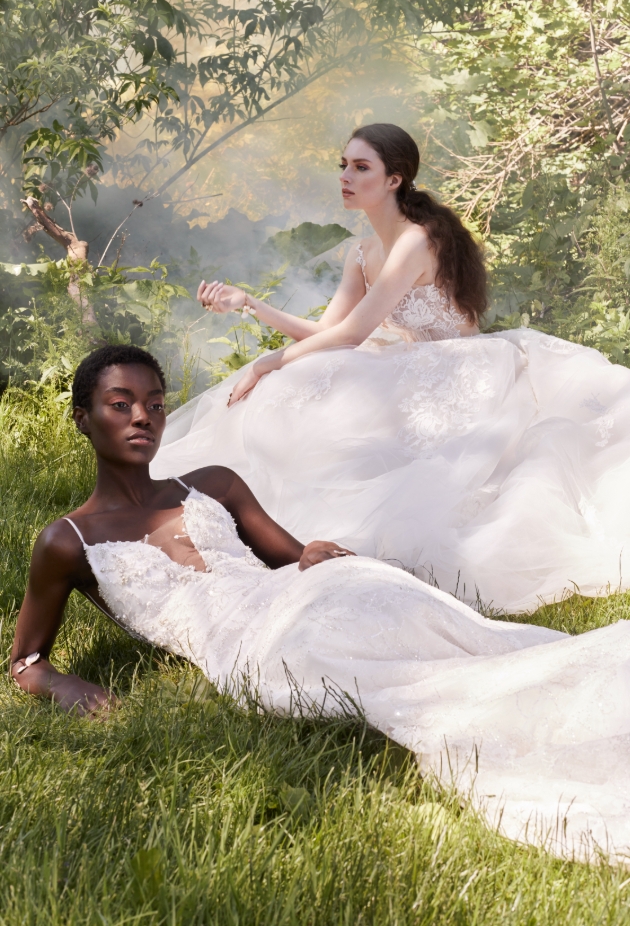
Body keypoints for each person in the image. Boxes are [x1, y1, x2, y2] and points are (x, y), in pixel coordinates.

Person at [11, 344, 630, 857]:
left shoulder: (214, 484)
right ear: (83, 418)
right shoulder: (67, 541)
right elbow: (25, 662)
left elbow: (290, 555)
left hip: (309, 591)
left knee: (433, 625)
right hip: (253, 643)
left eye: (154, 404)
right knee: (369, 667)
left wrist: (313, 554)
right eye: (121, 405)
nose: (142, 417)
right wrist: (67, 687)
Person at [151, 122, 630, 614]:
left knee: (297, 377)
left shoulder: (416, 241)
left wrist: (268, 362)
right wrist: (249, 303)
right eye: (344, 166)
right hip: (410, 364)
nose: (346, 176)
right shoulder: (360, 252)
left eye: (361, 167)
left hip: (465, 374)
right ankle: (250, 514)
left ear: (395, 179)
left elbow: (353, 335)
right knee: (296, 380)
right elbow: (328, 332)